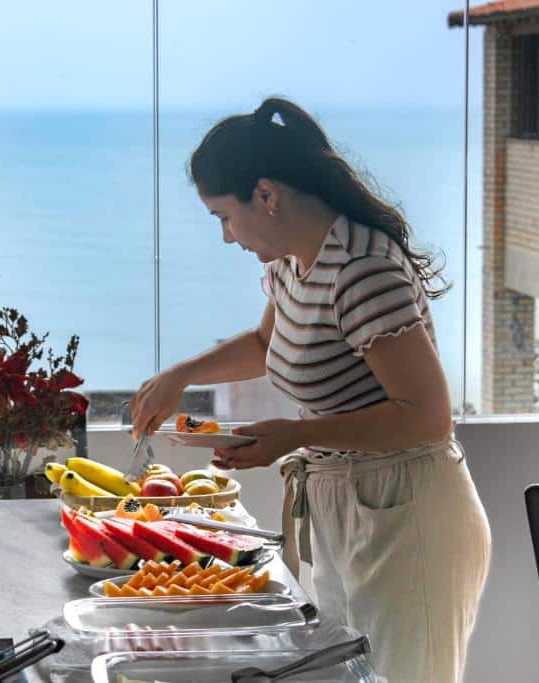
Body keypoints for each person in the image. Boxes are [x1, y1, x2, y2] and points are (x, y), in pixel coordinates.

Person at [129, 97, 491, 682]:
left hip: (408, 513)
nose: (226, 236)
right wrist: (181, 375)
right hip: (345, 506)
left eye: (224, 216)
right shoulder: (294, 264)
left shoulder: (361, 270)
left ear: (265, 196)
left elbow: (427, 416)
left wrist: (295, 435)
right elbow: (262, 343)